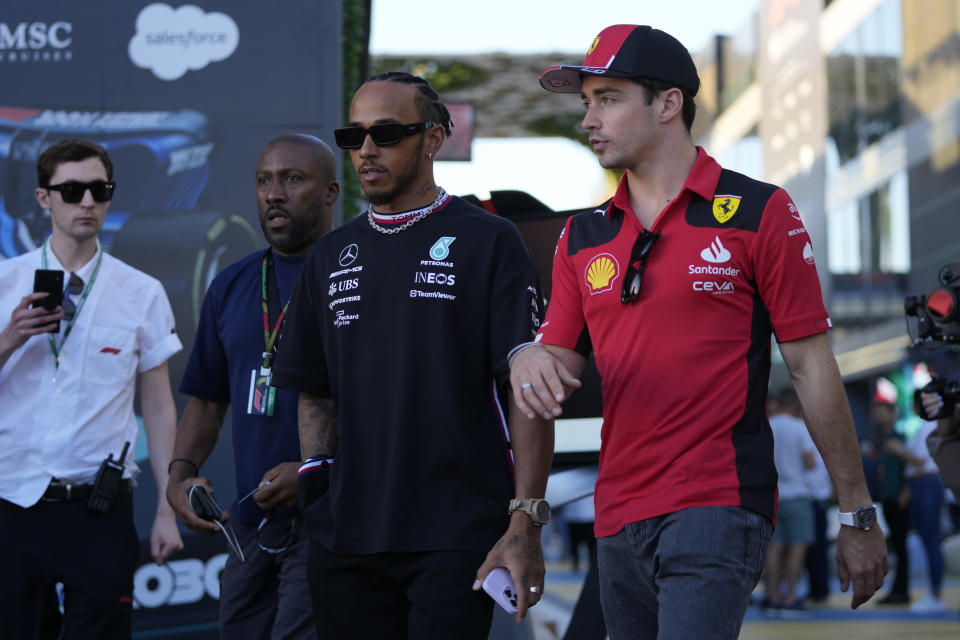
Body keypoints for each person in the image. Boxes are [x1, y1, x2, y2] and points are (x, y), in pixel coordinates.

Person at [511, 24, 888, 639]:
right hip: (616, 514)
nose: (589, 120)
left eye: (608, 98)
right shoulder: (581, 237)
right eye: (587, 103)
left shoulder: (759, 211)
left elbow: (812, 366)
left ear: (668, 103)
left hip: (717, 500)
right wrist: (527, 358)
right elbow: (550, 371)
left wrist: (857, 512)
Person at [270, 72, 553, 638]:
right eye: (355, 136)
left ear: (433, 137)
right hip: (346, 536)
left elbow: (528, 390)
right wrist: (318, 483)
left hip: (455, 534)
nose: (367, 150)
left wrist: (525, 521)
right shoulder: (329, 255)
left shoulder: (489, 240)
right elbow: (314, 387)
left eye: (388, 133)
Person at [0, 139, 183, 638]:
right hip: (12, 502)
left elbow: (161, 407)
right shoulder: (4, 281)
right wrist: (11, 336)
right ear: (43, 198)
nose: (87, 202)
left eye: (99, 189)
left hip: (98, 510)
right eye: (72, 189)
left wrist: (168, 510)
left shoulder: (141, 291)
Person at [166, 135, 338, 638]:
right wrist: (179, 477)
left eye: (292, 179)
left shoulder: (356, 276)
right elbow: (207, 400)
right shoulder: (232, 284)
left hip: (328, 518)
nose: (274, 193)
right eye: (264, 180)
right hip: (249, 520)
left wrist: (313, 472)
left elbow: (388, 406)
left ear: (330, 192)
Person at [763, 388, 816, 616]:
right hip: (797, 493)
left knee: (774, 548)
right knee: (797, 548)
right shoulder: (799, 428)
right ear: (794, 405)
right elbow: (810, 462)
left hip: (774, 494)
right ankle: (790, 597)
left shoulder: (769, 426)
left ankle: (772, 596)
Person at [868, 394, 912, 604]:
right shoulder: (883, 441)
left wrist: (906, 491)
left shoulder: (899, 440)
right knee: (895, 544)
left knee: (900, 545)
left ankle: (901, 591)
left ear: (893, 415)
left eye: (882, 411)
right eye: (876, 411)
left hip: (898, 499)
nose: (878, 415)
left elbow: (912, 467)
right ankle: (897, 588)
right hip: (887, 498)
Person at [903, 418, 947, 613]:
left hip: (926, 484)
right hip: (924, 484)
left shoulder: (929, 426)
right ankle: (935, 594)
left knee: (931, 540)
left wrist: (896, 448)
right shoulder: (929, 426)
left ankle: (935, 596)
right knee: (930, 539)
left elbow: (920, 461)